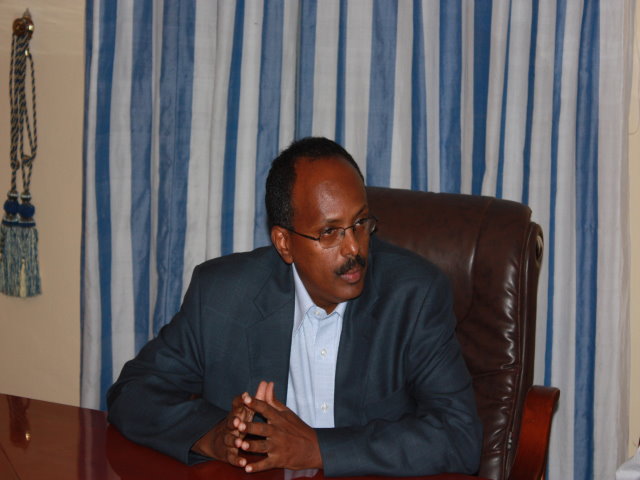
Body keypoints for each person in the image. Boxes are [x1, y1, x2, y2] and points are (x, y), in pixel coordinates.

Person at [107, 137, 482, 477]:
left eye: (360, 223)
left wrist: (318, 449)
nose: (354, 248)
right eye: (330, 232)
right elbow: (133, 393)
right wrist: (213, 436)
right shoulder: (222, 295)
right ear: (284, 243)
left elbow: (459, 436)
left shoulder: (414, 296)